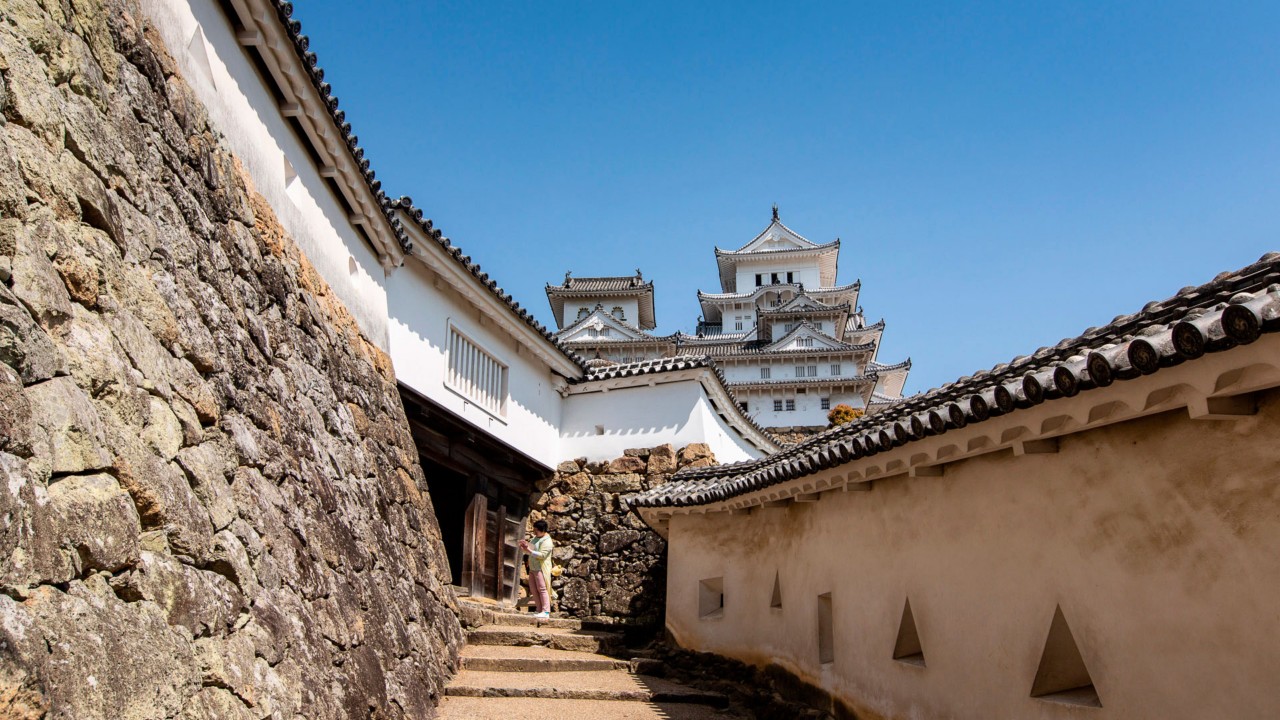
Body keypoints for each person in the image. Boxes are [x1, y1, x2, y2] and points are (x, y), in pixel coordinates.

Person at [519, 520, 553, 619]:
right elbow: (530, 550)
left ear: (542, 530)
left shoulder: (547, 541)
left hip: (541, 568)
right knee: (534, 589)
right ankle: (539, 609)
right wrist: (525, 547)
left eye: (536, 530)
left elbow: (542, 555)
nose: (534, 532)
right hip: (533, 568)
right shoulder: (535, 538)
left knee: (542, 589)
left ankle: (546, 611)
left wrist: (529, 550)